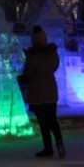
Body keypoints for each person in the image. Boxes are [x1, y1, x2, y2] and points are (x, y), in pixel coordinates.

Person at [21, 26, 65, 158]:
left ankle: (48, 148)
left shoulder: (32, 56)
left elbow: (27, 74)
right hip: (51, 90)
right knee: (53, 120)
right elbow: (55, 67)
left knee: (43, 122)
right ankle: (60, 144)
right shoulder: (52, 53)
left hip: (38, 92)